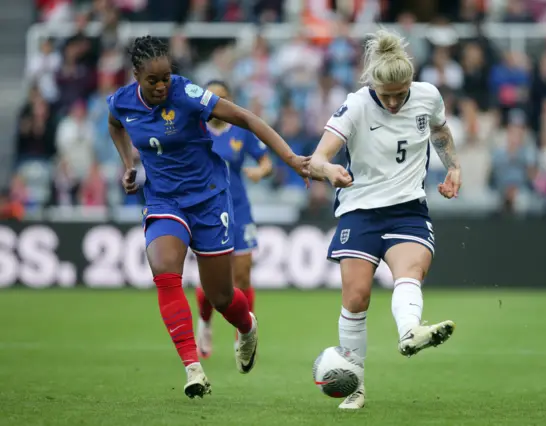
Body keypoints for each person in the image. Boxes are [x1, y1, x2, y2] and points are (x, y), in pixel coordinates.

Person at [107, 36, 310, 399]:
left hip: (210, 199)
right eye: (152, 80)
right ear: (136, 74)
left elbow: (246, 118)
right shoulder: (122, 102)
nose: (161, 86)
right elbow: (115, 125)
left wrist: (291, 159)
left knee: (220, 296)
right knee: (166, 272)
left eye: (166, 77)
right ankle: (193, 367)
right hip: (164, 200)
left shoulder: (186, 94)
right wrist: (129, 164)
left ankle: (247, 327)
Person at [309, 29, 462, 410]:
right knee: (356, 297)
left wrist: (454, 168)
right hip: (359, 210)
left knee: (411, 272)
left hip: (409, 208)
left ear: (411, 82)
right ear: (372, 83)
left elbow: (440, 130)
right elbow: (317, 158)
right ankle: (355, 385)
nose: (393, 103)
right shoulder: (356, 105)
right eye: (385, 94)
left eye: (400, 93)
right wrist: (330, 172)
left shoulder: (428, 96)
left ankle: (410, 331)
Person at [195, 80, 273, 357]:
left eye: (224, 97)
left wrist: (260, 172)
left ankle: (243, 333)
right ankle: (204, 322)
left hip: (238, 209)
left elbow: (266, 161)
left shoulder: (241, 129)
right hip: (207, 211)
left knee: (242, 275)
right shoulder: (194, 128)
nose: (218, 103)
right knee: (214, 282)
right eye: (212, 98)